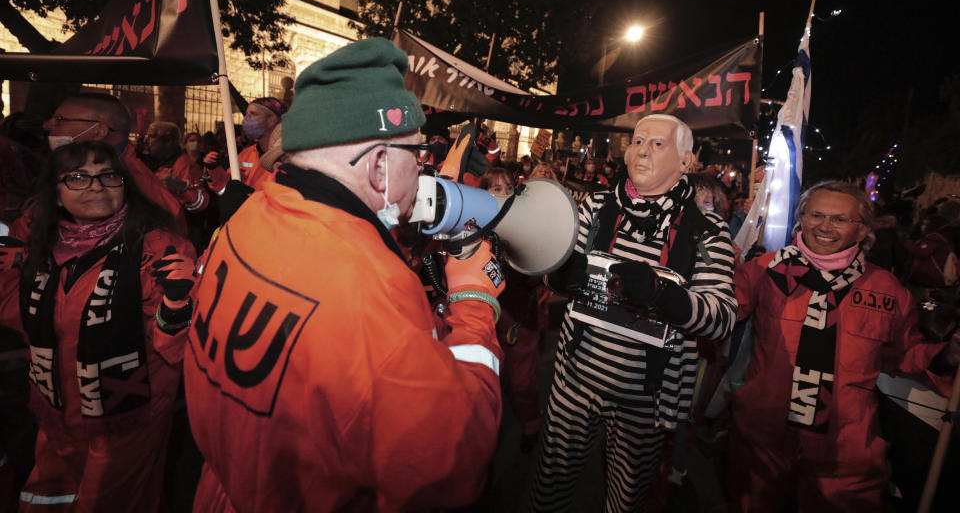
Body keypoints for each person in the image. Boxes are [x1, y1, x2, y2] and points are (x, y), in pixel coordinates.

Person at [184, 38, 506, 512]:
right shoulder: (370, 293)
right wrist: (475, 300)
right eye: (415, 158)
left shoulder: (248, 218)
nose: (420, 174)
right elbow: (454, 461)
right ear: (378, 165)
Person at [529, 114, 736, 512]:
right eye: (637, 141)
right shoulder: (598, 204)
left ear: (685, 161)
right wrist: (561, 276)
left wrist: (662, 295)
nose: (642, 149)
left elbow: (722, 316)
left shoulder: (706, 229)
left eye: (658, 144)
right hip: (574, 379)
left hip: (645, 397)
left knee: (625, 500)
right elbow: (557, 268)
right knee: (550, 485)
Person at [728, 181, 960, 511]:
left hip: (844, 451)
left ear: (863, 228)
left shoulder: (886, 288)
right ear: (800, 218)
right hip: (763, 438)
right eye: (816, 215)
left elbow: (906, 356)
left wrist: (946, 357)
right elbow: (715, 316)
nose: (824, 227)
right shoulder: (765, 270)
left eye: (839, 219)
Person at [0, 141, 197, 512]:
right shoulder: (39, 248)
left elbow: (178, 347)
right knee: (48, 493)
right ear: (56, 195)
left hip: (127, 414)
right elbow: (19, 315)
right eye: (78, 177)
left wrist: (175, 305)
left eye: (109, 175)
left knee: (111, 499)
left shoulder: (158, 248)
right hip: (54, 405)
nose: (96, 186)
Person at [28, 92, 187, 235]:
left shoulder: (140, 183)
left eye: (60, 120)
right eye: (78, 179)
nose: (47, 125)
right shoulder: (60, 168)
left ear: (99, 131)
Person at [480, 168, 551, 452]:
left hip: (518, 318)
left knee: (521, 382)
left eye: (508, 187)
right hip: (486, 317)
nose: (503, 193)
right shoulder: (475, 226)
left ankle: (531, 423)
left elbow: (535, 275)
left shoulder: (525, 228)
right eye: (495, 188)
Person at [202, 97, 286, 195]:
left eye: (253, 114)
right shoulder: (246, 154)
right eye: (246, 114)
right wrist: (215, 170)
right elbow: (225, 189)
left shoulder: (286, 156)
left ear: (272, 120)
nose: (246, 118)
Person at [144, 121, 209, 214]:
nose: (146, 141)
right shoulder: (155, 162)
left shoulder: (185, 166)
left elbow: (202, 203)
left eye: (151, 136)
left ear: (168, 140)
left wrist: (182, 188)